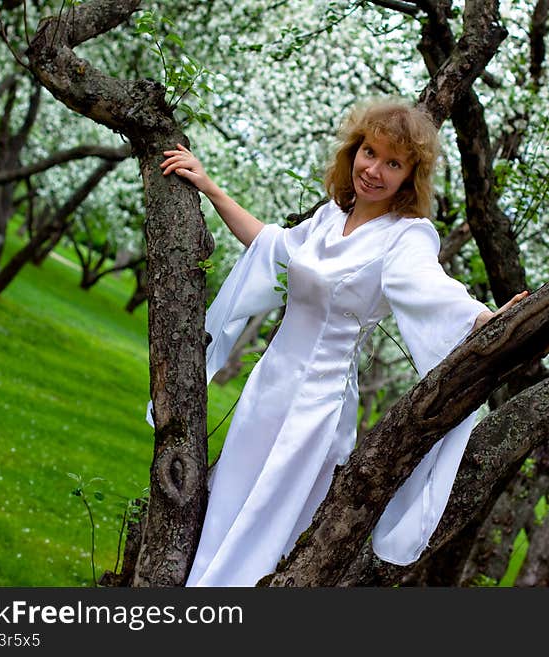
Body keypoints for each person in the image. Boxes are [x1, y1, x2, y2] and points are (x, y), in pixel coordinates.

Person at [159, 98, 528, 586]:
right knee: (230, 499)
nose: (374, 170)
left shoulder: (407, 236)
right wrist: (208, 187)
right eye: (369, 152)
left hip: (316, 406)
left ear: (410, 175)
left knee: (267, 520)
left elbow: (432, 289)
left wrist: (485, 319)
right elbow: (273, 247)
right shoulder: (332, 216)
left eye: (393, 163)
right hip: (268, 388)